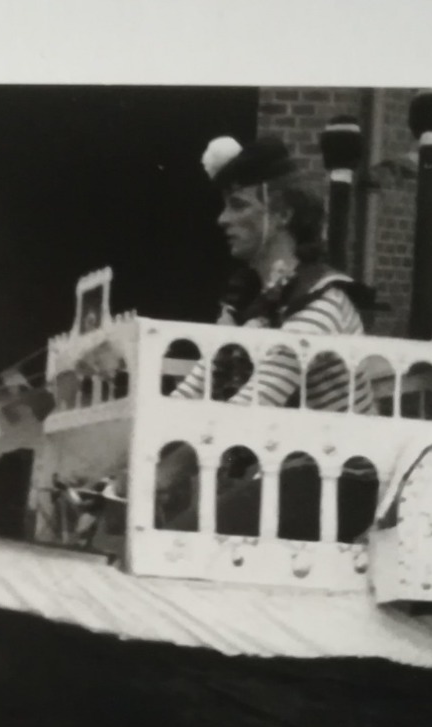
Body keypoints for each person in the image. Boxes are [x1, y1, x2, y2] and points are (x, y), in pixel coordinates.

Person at [157, 135, 381, 538]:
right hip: (292, 473)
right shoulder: (255, 304)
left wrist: (167, 469)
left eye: (238, 204)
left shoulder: (320, 301)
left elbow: (252, 405)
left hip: (340, 482)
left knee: (184, 538)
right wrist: (133, 448)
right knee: (181, 532)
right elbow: (197, 388)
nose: (222, 219)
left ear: (281, 215)